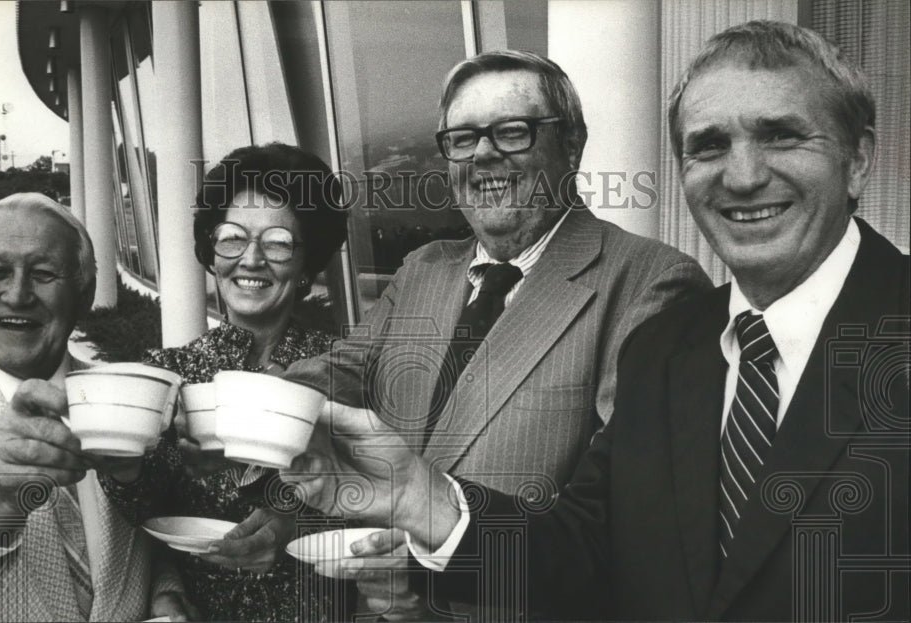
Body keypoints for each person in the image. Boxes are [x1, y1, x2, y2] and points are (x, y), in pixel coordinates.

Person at [283, 21, 910, 622]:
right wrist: (419, 498)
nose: (743, 176)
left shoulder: (651, 288)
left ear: (857, 160)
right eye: (709, 145)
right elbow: (584, 550)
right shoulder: (671, 348)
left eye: (781, 135)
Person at [281, 50, 711, 619]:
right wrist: (231, 408)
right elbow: (341, 371)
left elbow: (619, 528)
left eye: (512, 131)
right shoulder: (423, 268)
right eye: (462, 137)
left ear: (572, 145)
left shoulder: (653, 283)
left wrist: (428, 583)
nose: (482, 154)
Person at [98, 143, 352, 622]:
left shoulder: (344, 371)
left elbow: (370, 505)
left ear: (305, 263)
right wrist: (123, 463)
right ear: (212, 252)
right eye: (233, 238)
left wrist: (292, 526)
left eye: (277, 242)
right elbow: (141, 512)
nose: (251, 259)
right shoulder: (166, 373)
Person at [0, 193, 185, 621]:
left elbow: (150, 525)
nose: (18, 295)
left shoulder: (126, 395)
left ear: (85, 292)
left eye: (43, 273)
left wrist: (168, 591)